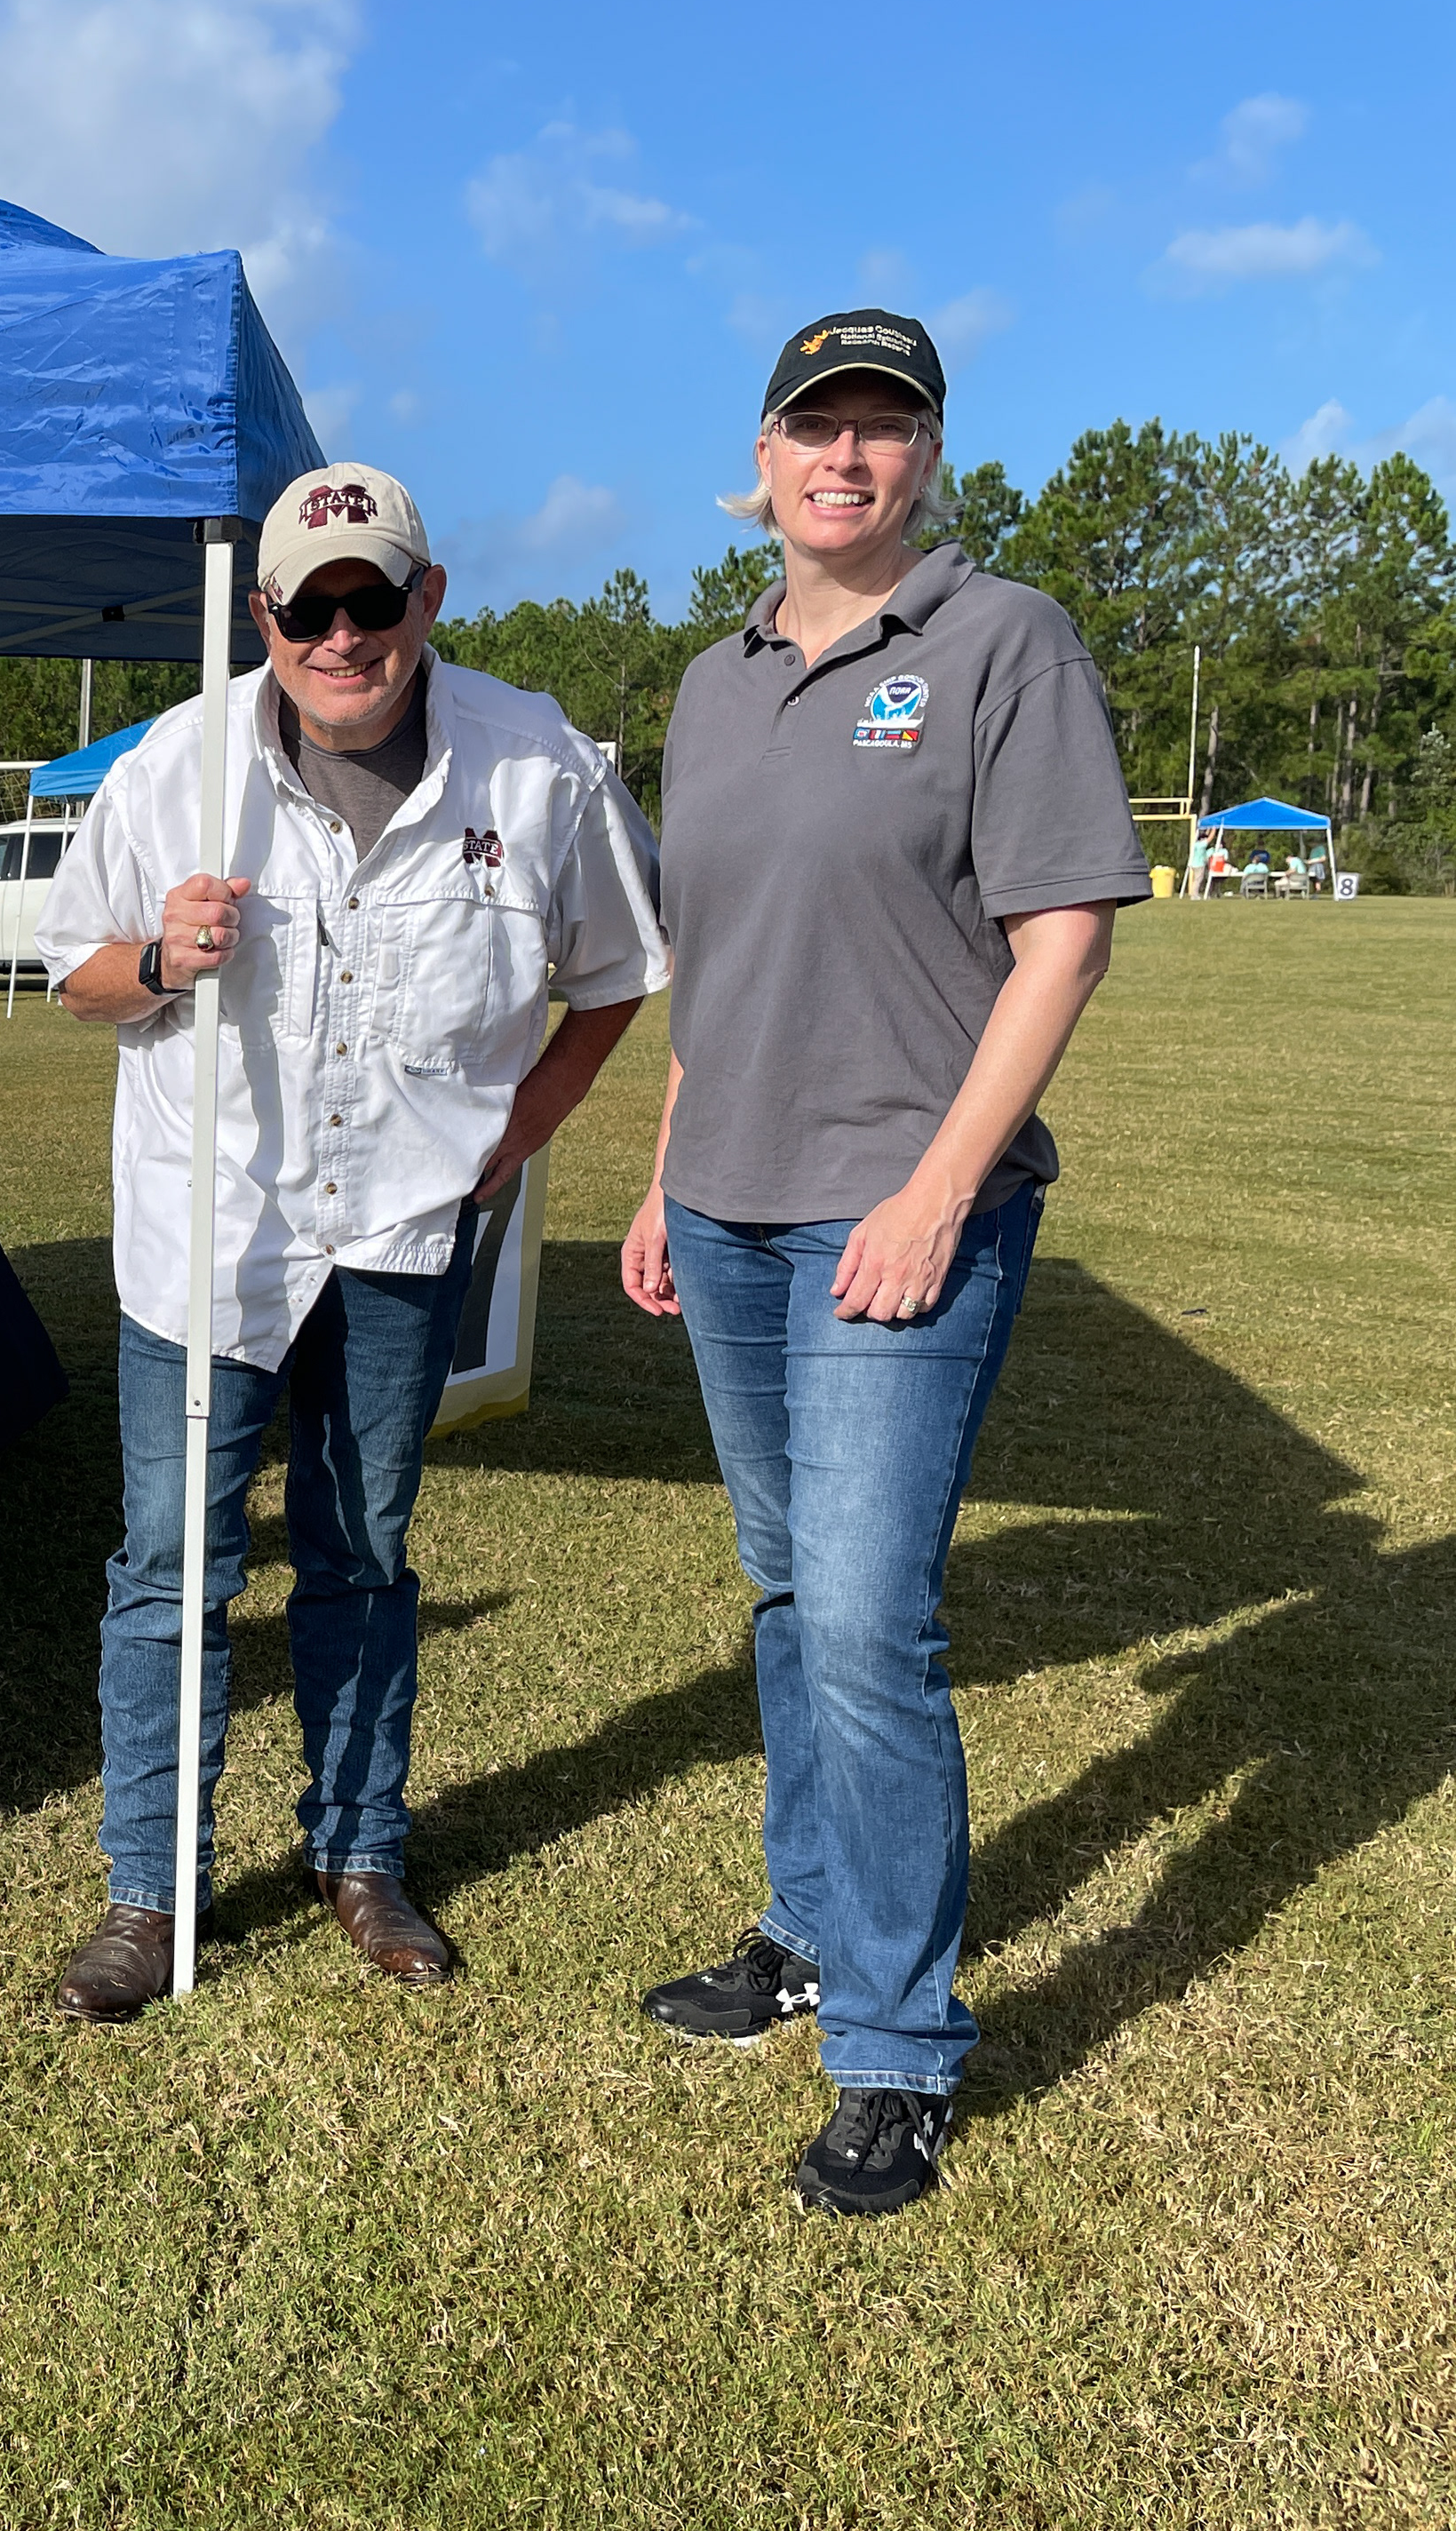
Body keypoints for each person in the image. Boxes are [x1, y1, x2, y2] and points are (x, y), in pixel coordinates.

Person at [621, 311, 1150, 2215]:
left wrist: (943, 1185)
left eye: (884, 428)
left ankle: (901, 2043)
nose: (846, 457)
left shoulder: (1002, 642)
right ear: (759, 460)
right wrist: (663, 1174)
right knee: (783, 1596)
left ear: (925, 463)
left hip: (903, 1209)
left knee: (865, 1617)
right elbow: (719, 966)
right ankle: (809, 1921)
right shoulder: (711, 680)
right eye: (814, 425)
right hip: (728, 1206)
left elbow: (1065, 937)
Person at [35, 462, 668, 2022]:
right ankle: (148, 1885)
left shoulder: (539, 768)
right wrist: (161, 959)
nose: (340, 634)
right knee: (172, 1569)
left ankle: (361, 1852)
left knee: (365, 1557)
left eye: (368, 599)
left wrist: (509, 1142)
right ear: (262, 616)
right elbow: (75, 978)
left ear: (424, 601)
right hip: (207, 1239)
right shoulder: (175, 769)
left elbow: (617, 974)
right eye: (306, 608)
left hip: (397, 1234)